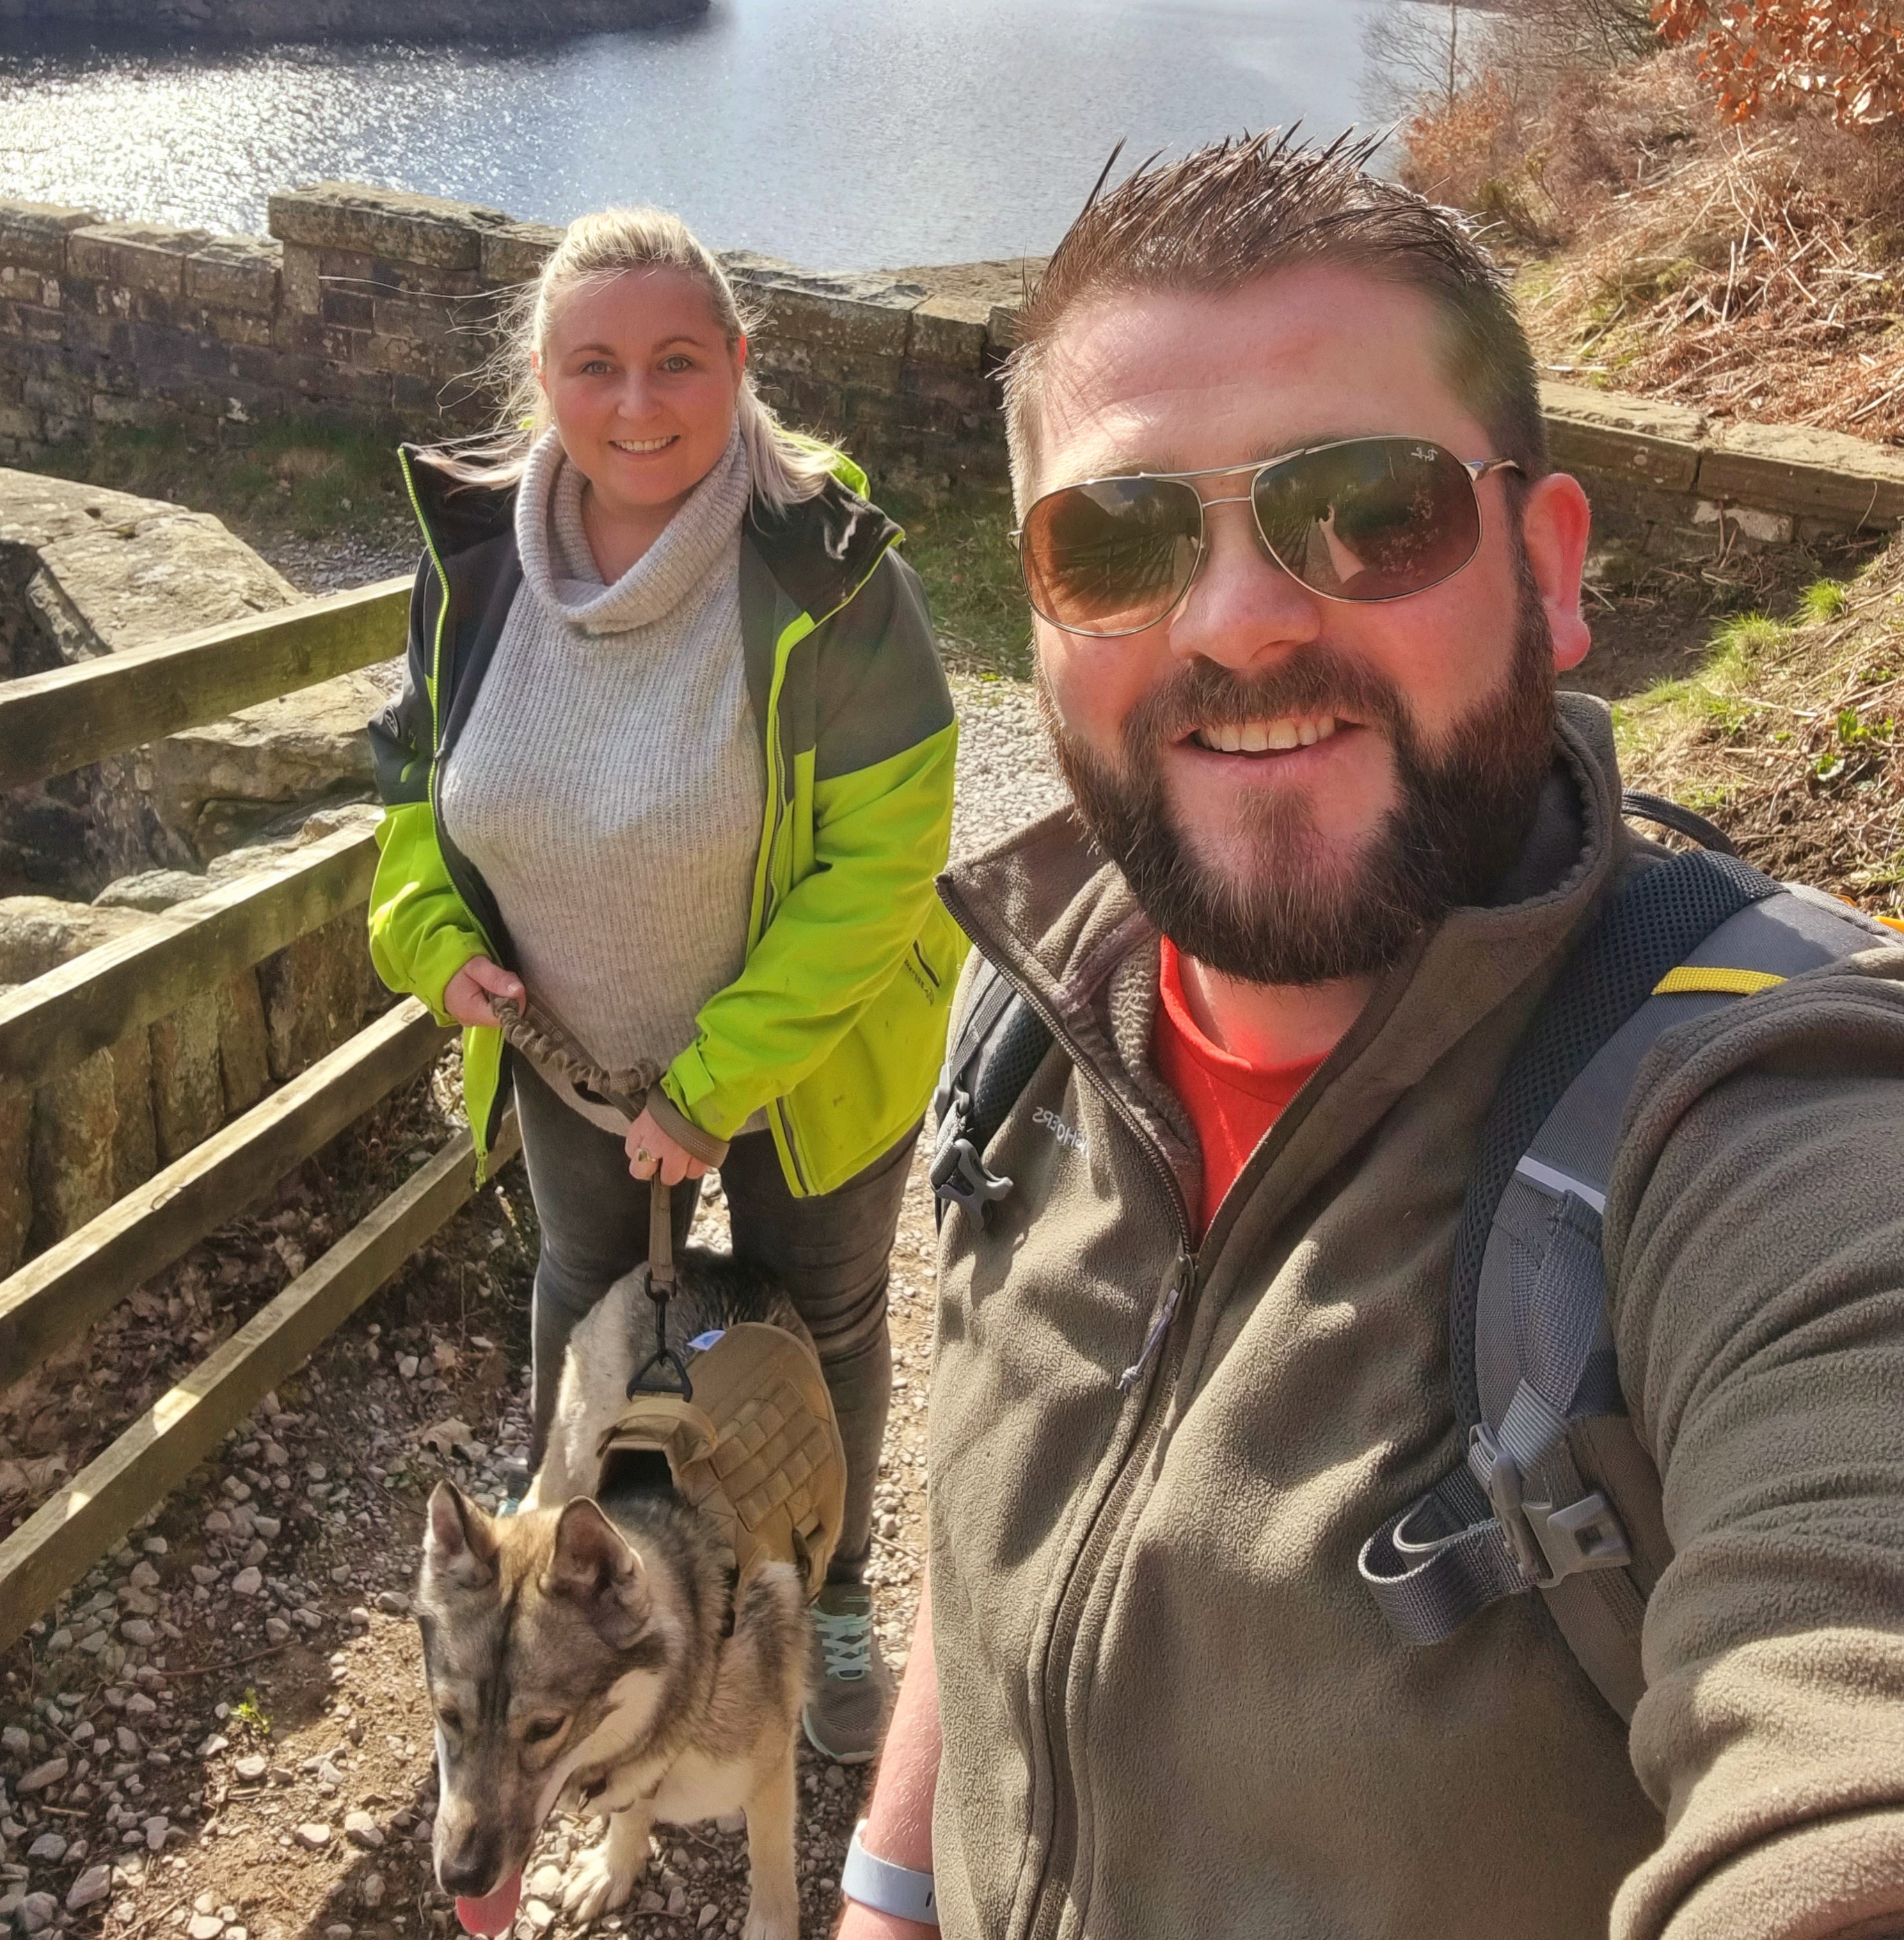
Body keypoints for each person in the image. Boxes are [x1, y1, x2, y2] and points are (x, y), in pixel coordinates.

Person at [840, 136, 1904, 1939]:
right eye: (1118, 539)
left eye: (1369, 509)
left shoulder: (1774, 1132)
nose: (1241, 619)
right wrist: (889, 1884)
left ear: (1548, 570)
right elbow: (1011, 1503)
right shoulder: (1036, 1014)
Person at [365, 205, 963, 1764]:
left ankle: (828, 1595)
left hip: (810, 1060)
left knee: (820, 1323)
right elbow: (410, 792)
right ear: (542, 378)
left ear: (740, 364)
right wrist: (430, 938)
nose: (639, 405)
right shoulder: (473, 556)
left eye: (679, 362)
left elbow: (885, 862)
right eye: (597, 367)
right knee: (587, 1302)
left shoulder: (831, 568)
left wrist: (713, 1090)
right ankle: (556, 1581)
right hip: (571, 1055)